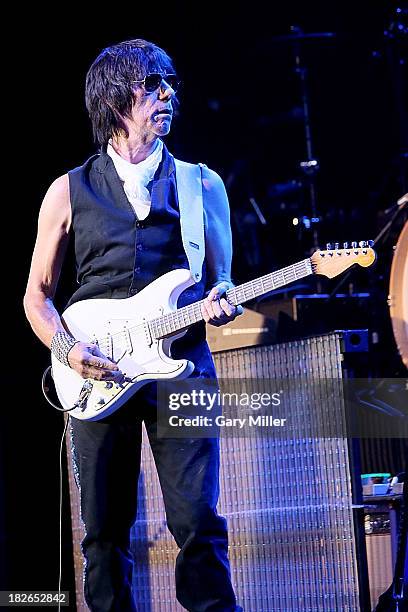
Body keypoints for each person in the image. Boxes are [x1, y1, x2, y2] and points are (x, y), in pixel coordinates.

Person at [23, 38, 243, 612]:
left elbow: (223, 279)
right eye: (153, 86)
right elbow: (36, 299)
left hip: (182, 364)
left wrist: (222, 298)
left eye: (170, 84)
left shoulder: (203, 184)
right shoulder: (66, 191)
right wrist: (70, 352)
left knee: (198, 521)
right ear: (117, 100)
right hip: (97, 371)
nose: (169, 95)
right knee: (103, 533)